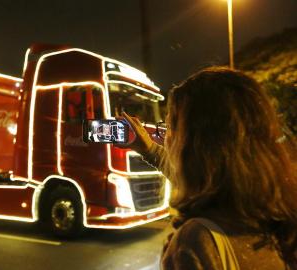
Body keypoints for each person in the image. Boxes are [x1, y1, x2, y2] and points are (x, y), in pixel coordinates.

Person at [119, 67, 297, 269]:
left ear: (195, 147)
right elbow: (212, 178)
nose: (167, 138)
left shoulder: (198, 241)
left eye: (170, 128)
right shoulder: (280, 217)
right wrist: (149, 149)